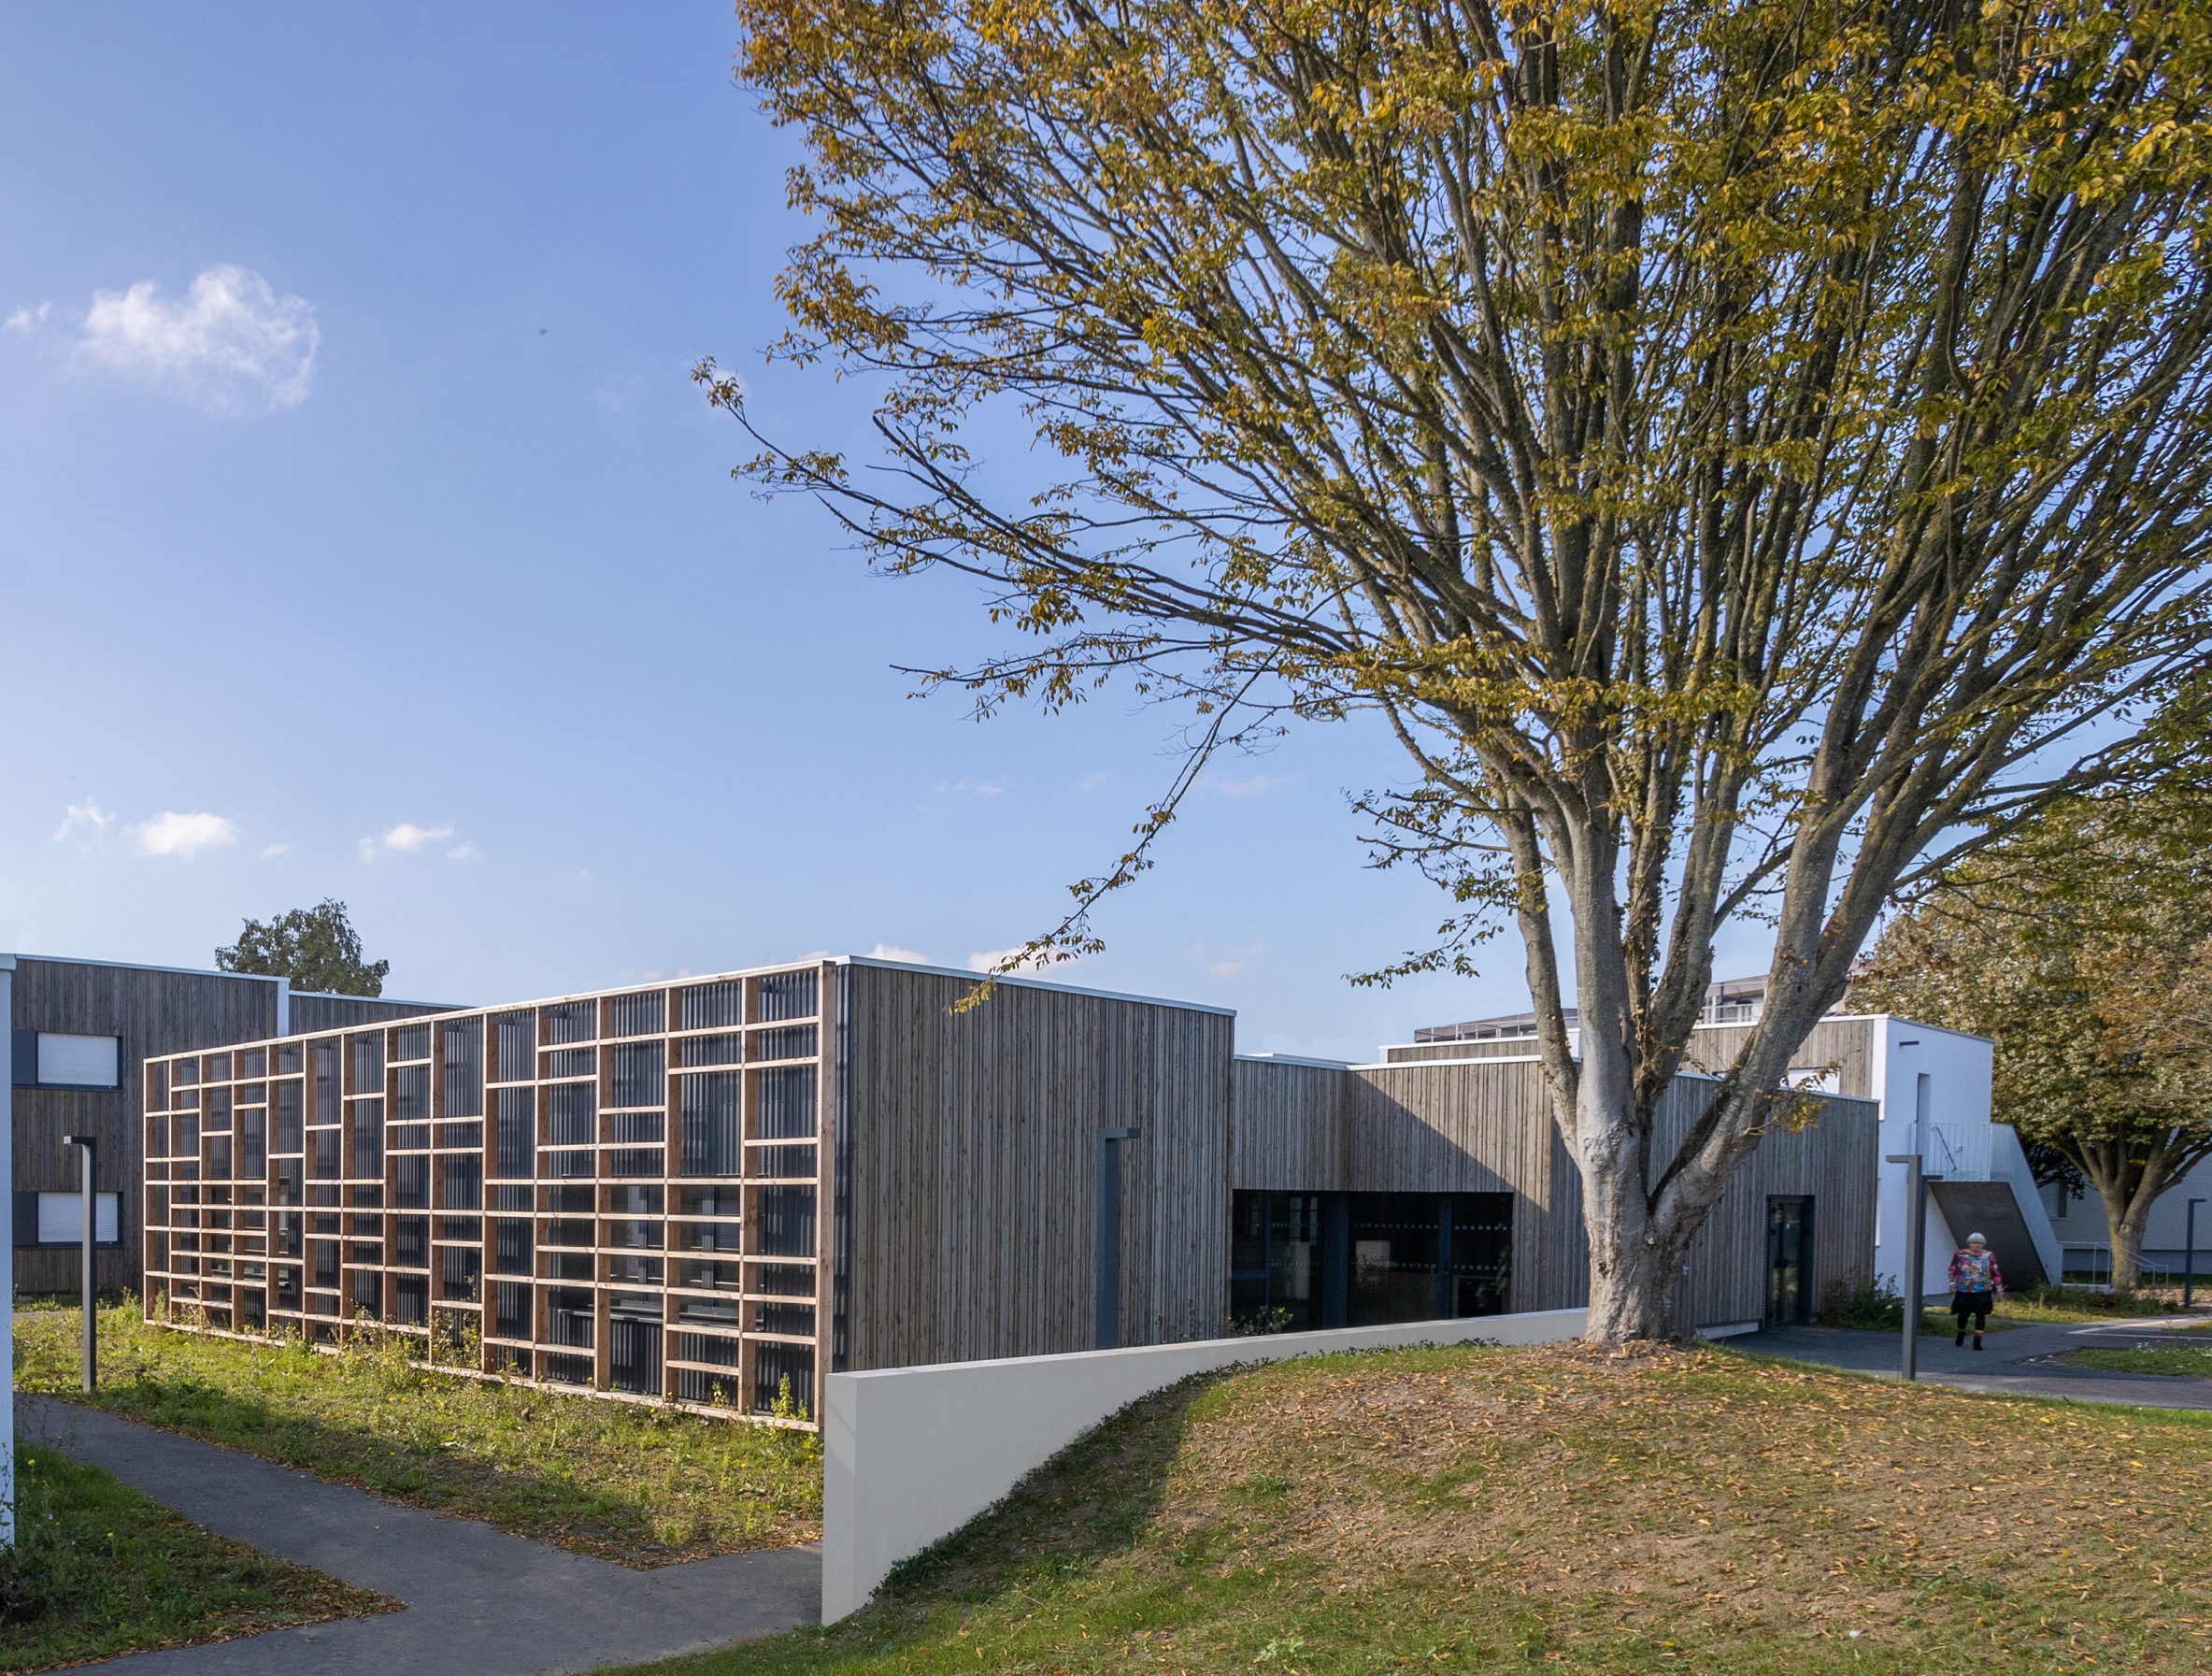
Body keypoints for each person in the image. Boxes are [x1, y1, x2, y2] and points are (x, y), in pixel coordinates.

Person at [1949, 1233, 2005, 1350]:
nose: (1976, 1246)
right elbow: (1952, 1268)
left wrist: (1999, 1287)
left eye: (1979, 1243)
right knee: (1963, 1315)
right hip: (1964, 1288)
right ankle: (1961, 1332)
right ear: (1969, 1243)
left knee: (1981, 1315)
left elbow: (1995, 1271)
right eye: (1974, 1243)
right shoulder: (1960, 1254)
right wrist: (1952, 1283)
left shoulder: (1989, 1255)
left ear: (1983, 1244)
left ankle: (1977, 1340)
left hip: (1983, 1289)